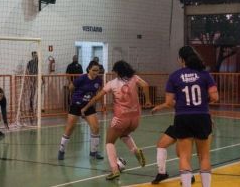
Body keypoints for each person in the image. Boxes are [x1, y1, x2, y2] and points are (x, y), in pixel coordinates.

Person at [153, 46, 218, 187]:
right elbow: (215, 97)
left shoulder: (175, 76)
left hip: (183, 117)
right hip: (202, 116)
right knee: (204, 156)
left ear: (181, 59)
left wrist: (183, 102)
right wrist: (201, 102)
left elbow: (169, 102)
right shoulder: (205, 74)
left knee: (184, 156)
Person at [81, 60, 152, 180]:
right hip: (135, 118)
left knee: (109, 142)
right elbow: (145, 85)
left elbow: (97, 97)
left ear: (118, 71)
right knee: (124, 134)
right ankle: (135, 151)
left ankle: (114, 170)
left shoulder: (112, 83)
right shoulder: (134, 78)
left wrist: (85, 108)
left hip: (121, 118)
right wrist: (148, 100)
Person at [58, 60, 104, 160]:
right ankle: (61, 150)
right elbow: (71, 88)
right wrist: (77, 97)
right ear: (89, 69)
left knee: (96, 127)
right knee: (69, 129)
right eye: (94, 70)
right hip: (76, 105)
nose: (96, 72)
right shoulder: (81, 78)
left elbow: (98, 92)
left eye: (98, 70)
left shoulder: (98, 80)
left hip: (88, 106)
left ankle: (94, 152)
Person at [150, 102, 196, 185]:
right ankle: (162, 173)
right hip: (177, 125)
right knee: (161, 145)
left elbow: (171, 102)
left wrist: (158, 107)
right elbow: (171, 102)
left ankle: (189, 175)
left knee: (181, 153)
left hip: (186, 126)